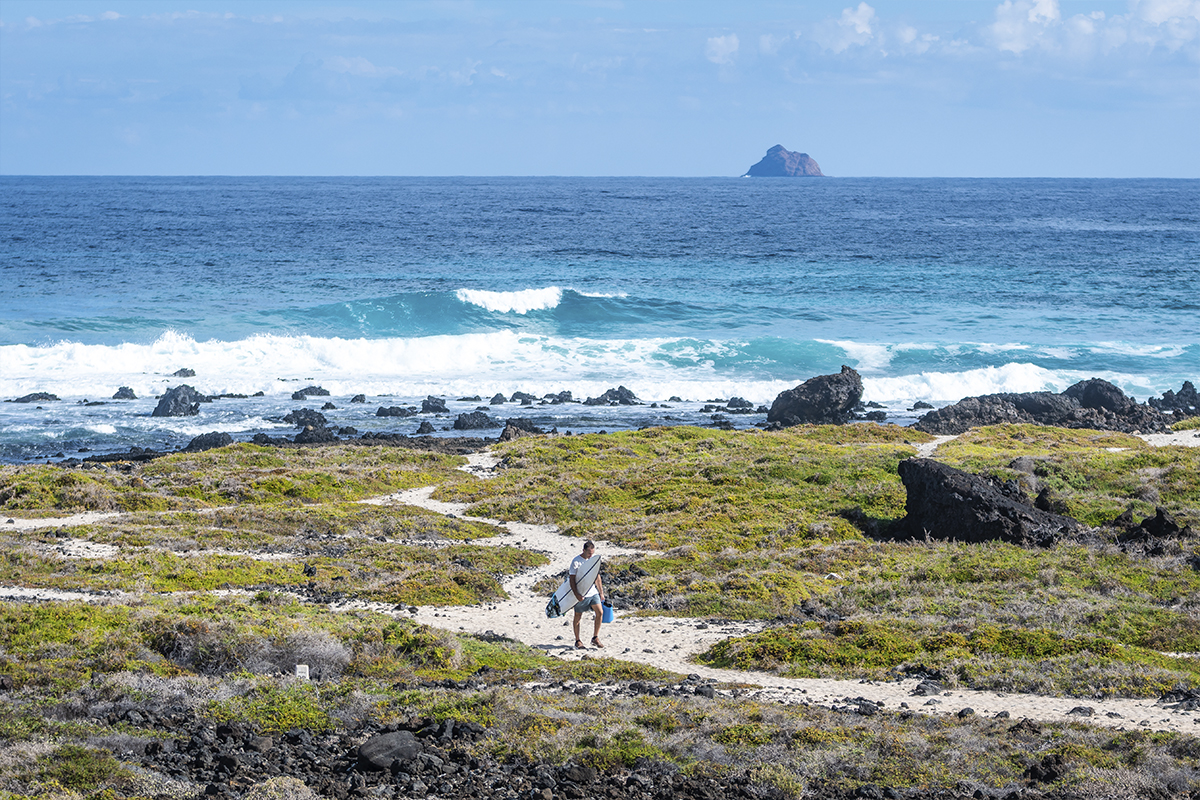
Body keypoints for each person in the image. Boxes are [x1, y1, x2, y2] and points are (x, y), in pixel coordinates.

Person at [569, 540, 605, 649]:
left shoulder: (592, 561)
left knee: (600, 612)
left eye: (592, 553)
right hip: (581, 593)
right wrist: (576, 594)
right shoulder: (576, 562)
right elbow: (572, 580)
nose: (590, 555)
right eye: (589, 553)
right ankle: (578, 640)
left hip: (593, 592)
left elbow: (597, 577)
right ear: (583, 550)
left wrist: (601, 592)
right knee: (578, 616)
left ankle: (595, 638)